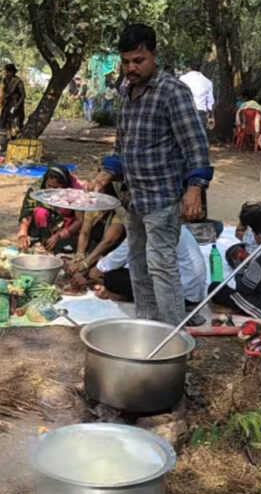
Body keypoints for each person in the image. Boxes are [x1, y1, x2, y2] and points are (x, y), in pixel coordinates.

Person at [87, 24, 212, 326]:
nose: (131, 68)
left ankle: (172, 335)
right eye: (126, 61)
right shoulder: (125, 93)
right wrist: (105, 175)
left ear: (154, 56)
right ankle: (146, 327)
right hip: (134, 199)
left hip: (164, 199)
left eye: (138, 61)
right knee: (138, 266)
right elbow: (122, 146)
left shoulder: (173, 92)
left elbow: (195, 144)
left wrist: (195, 188)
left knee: (161, 266)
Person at [79, 225, 206, 308]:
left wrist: (94, 271)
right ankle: (122, 293)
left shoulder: (152, 225)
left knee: (113, 277)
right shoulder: (171, 221)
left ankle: (120, 294)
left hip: (180, 296)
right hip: (192, 292)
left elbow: (121, 255)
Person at [17, 165, 84, 252]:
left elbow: (80, 220)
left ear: (64, 185)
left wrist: (60, 235)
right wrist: (23, 233)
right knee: (40, 212)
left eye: (56, 188)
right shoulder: (37, 188)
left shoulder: (75, 191)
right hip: (46, 221)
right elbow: (27, 210)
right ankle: (45, 239)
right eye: (49, 186)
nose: (51, 190)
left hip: (66, 226)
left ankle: (56, 240)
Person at [66, 186, 126, 277]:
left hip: (107, 250)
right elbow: (85, 232)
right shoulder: (94, 208)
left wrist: (86, 263)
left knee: (91, 273)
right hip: (92, 245)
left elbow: (108, 241)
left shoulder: (119, 214)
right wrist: (80, 254)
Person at [179, 61, 215, 131]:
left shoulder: (182, 79)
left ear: (189, 67)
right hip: (201, 113)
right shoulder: (207, 82)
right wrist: (211, 116)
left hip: (186, 111)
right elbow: (210, 103)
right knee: (199, 137)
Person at [0, 63, 25, 138]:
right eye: (5, 72)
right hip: (7, 104)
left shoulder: (18, 82)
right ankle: (8, 139)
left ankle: (15, 139)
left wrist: (16, 106)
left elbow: (23, 95)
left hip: (16, 104)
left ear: (12, 72)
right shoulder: (5, 80)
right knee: (5, 124)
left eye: (7, 72)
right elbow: (2, 92)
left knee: (16, 127)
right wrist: (0, 103)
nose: (6, 74)